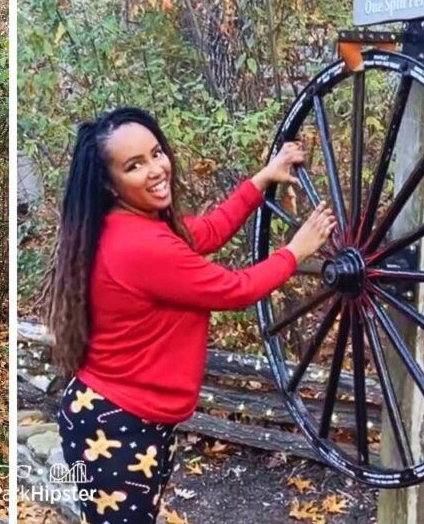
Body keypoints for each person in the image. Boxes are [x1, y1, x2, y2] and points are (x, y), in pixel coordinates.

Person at [43, 107, 336, 523]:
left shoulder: (138, 226)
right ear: (109, 183)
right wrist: (296, 250)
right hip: (116, 425)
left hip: (122, 417)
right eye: (134, 165)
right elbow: (236, 289)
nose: (156, 169)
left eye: (156, 153)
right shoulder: (140, 246)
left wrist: (262, 179)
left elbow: (209, 231)